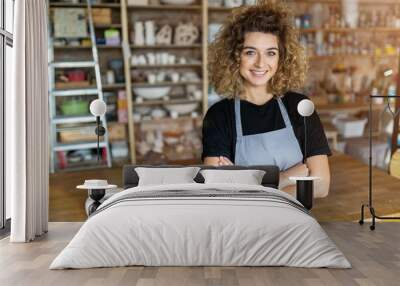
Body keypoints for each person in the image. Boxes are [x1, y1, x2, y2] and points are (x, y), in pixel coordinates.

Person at [202, 0, 331, 198]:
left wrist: (245, 184)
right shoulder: (219, 115)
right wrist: (286, 176)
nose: (261, 63)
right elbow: (219, 190)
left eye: (270, 53)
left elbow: (321, 186)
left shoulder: (300, 107)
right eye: (250, 52)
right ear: (235, 56)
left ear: (282, 58)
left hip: (296, 222)